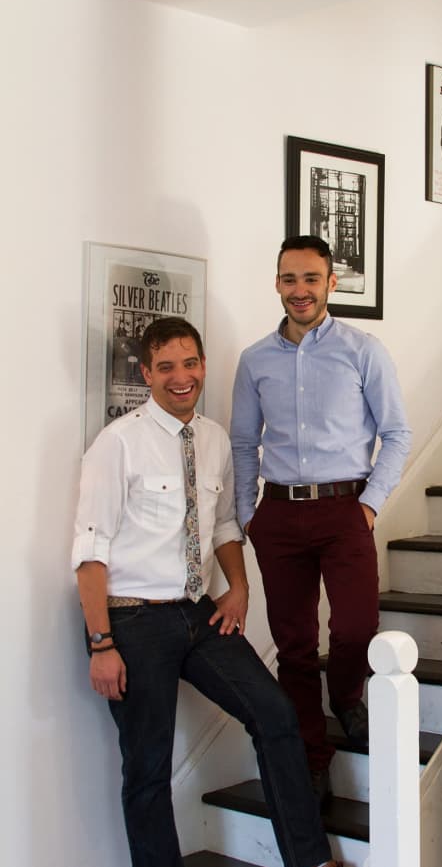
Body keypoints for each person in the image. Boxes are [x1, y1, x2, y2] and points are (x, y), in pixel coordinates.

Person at [72, 316, 341, 867]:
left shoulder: (215, 437)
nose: (181, 377)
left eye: (190, 363)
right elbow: (89, 552)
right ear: (146, 373)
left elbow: (221, 525)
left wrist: (238, 587)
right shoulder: (117, 443)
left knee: (275, 715)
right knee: (147, 767)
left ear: (203, 366)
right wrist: (101, 643)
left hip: (198, 615)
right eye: (165, 366)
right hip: (132, 621)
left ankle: (309, 859)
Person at [231, 235, 411, 803]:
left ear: (332, 283)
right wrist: (247, 515)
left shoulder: (363, 350)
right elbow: (242, 442)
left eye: (311, 278)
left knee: (356, 626)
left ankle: (348, 697)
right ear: (277, 283)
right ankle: (313, 756)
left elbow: (397, 432)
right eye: (289, 279)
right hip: (279, 515)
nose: (299, 290)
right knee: (294, 646)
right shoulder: (255, 359)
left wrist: (369, 503)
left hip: (345, 509)